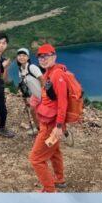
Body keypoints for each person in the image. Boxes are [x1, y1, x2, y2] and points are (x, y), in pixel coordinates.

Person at [29, 43, 69, 192]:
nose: (43, 59)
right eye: (40, 57)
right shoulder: (48, 73)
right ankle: (59, 178)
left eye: (46, 56)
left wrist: (59, 126)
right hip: (49, 122)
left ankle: (49, 190)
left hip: (51, 125)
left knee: (36, 159)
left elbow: (62, 103)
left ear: (54, 56)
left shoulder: (57, 75)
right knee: (54, 152)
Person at [15, 48, 44, 136]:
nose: (21, 57)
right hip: (35, 94)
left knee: (45, 114)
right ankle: (39, 129)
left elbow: (42, 80)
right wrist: (23, 93)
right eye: (19, 55)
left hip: (43, 94)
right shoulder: (20, 70)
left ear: (28, 57)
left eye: (24, 55)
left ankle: (60, 130)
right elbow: (24, 83)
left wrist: (44, 94)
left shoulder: (32, 67)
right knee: (32, 110)